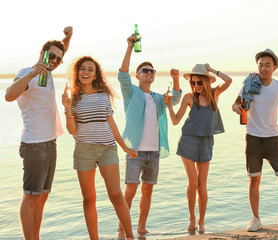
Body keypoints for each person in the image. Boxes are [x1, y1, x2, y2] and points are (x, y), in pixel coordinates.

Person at [4, 27, 72, 240]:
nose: (54, 61)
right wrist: (34, 72)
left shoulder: (51, 69)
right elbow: (8, 95)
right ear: (42, 54)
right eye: (50, 56)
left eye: (58, 60)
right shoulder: (27, 73)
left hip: (50, 145)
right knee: (30, 198)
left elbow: (60, 52)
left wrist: (67, 38)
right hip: (34, 146)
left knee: (42, 197)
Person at [61, 56, 136, 240]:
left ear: (95, 75)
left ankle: (130, 236)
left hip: (107, 149)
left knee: (116, 194)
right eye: (83, 69)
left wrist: (124, 147)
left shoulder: (104, 95)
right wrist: (68, 108)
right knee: (89, 199)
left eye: (90, 70)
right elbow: (72, 131)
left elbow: (111, 123)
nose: (86, 72)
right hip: (84, 151)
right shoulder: (73, 97)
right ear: (77, 73)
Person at [117, 33, 182, 236]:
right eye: (145, 71)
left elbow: (176, 98)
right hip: (135, 151)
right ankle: (122, 228)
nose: (149, 73)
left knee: (147, 191)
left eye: (152, 71)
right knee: (130, 190)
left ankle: (141, 227)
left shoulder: (158, 98)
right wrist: (129, 48)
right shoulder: (131, 93)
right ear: (138, 76)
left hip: (153, 152)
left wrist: (176, 79)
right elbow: (122, 74)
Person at [232, 49, 278, 232]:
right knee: (254, 180)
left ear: (274, 67)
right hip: (252, 139)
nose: (263, 68)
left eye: (267, 65)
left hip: (273, 138)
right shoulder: (248, 84)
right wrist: (237, 108)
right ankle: (256, 219)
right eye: (260, 65)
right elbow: (235, 104)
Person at [166, 63, 232, 233]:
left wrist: (212, 70)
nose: (195, 86)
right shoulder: (189, 97)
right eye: (193, 83)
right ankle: (192, 218)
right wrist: (168, 105)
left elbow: (229, 80)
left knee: (202, 185)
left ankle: (202, 222)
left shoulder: (214, 94)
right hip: (188, 141)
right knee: (193, 183)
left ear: (206, 82)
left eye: (199, 82)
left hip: (206, 142)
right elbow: (175, 121)